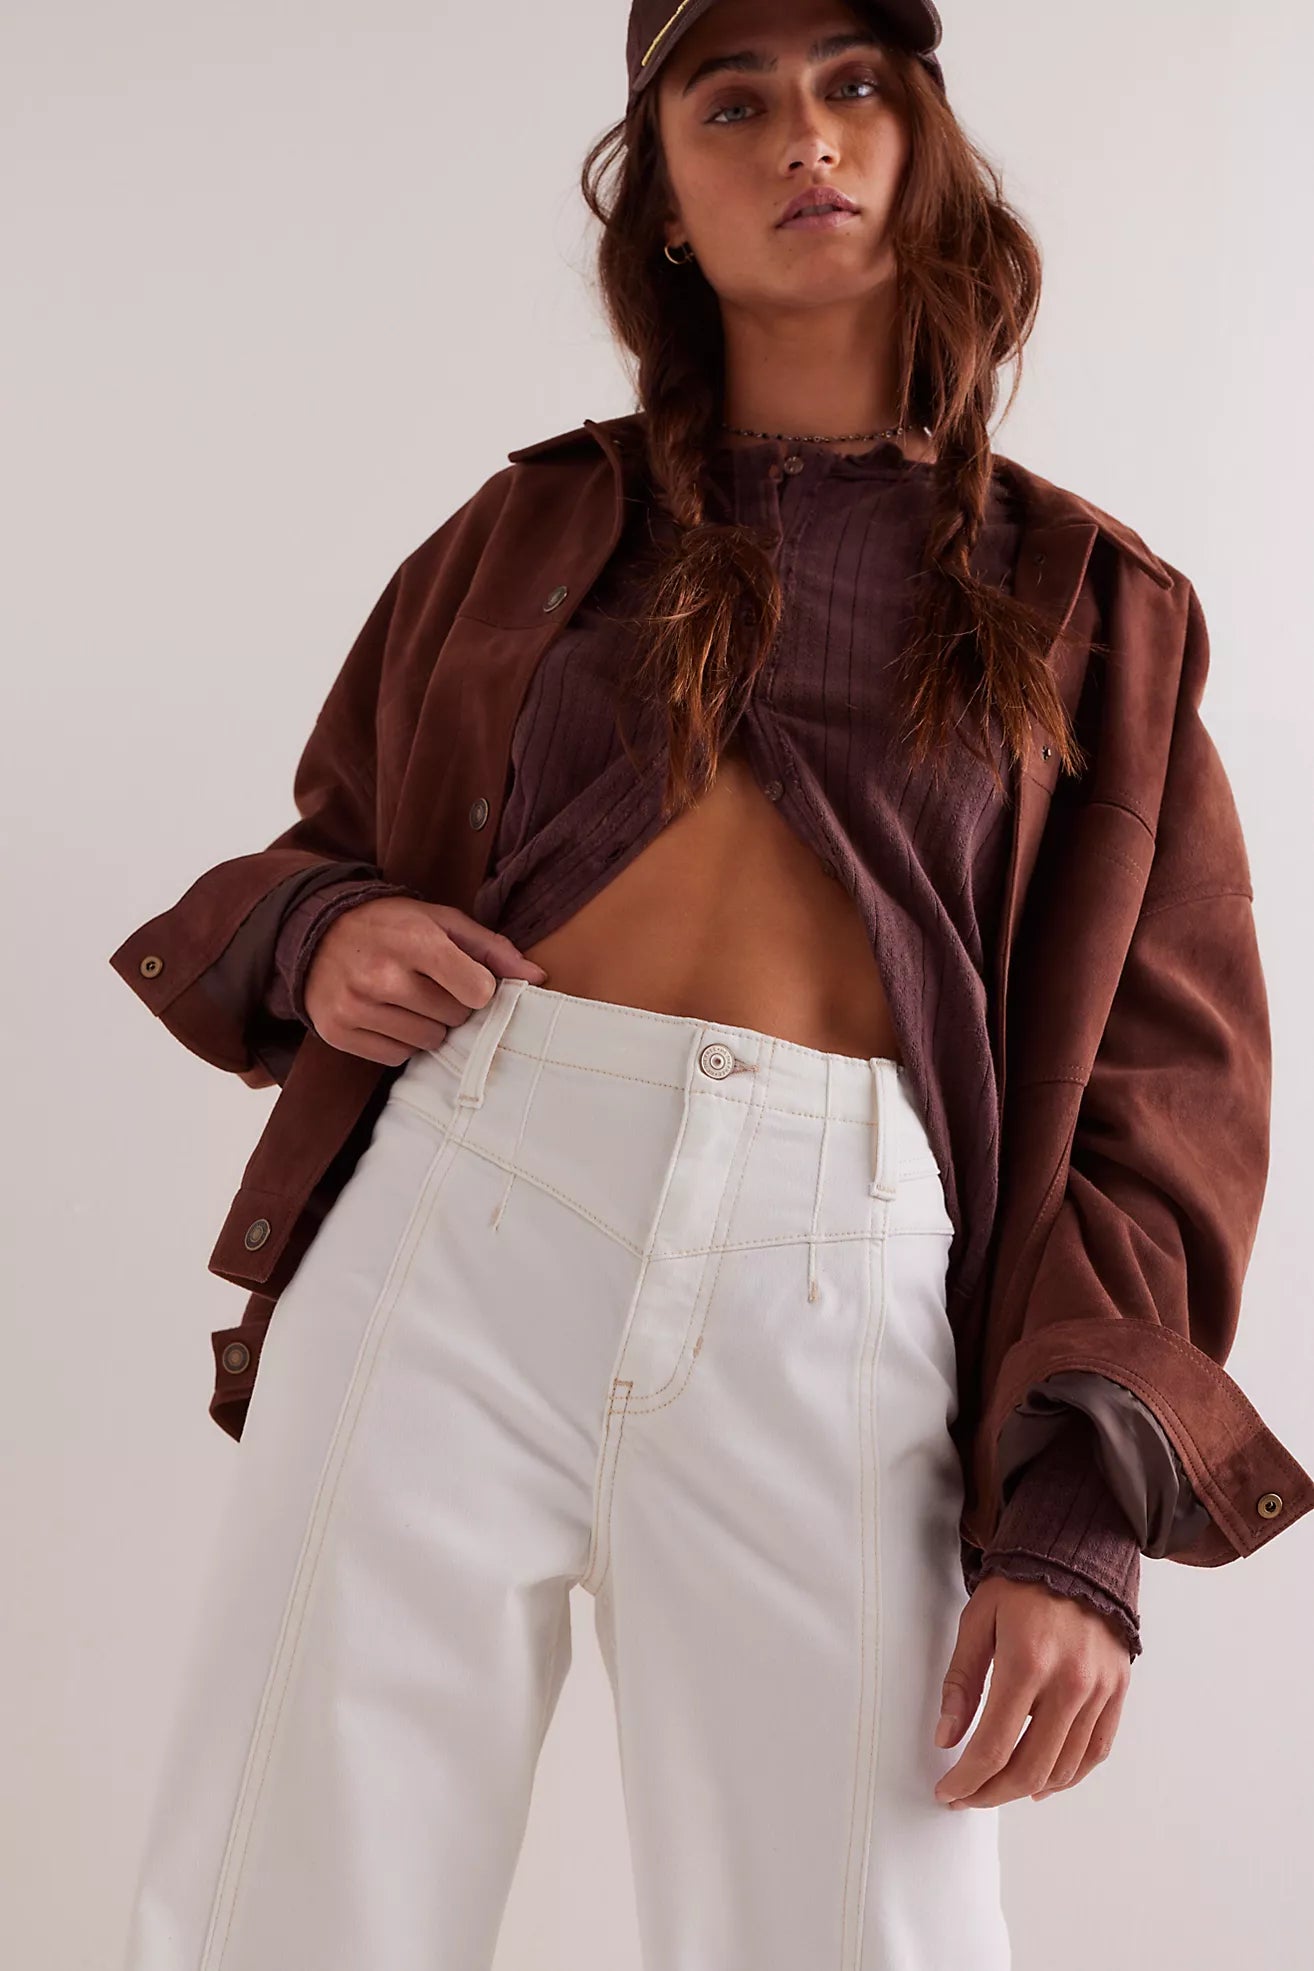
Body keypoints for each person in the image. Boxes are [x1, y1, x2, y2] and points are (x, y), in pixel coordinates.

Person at [110, 3, 1311, 1966]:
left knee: (863, 1924)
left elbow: (1162, 1100)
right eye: (731, 104)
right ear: (664, 199)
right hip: (456, 1218)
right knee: (290, 1900)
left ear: (922, 144)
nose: (802, 138)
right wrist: (323, 933)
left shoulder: (1090, 606)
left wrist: (1078, 1519)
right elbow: (333, 838)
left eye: (853, 86)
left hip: (836, 1282)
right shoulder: (527, 525)